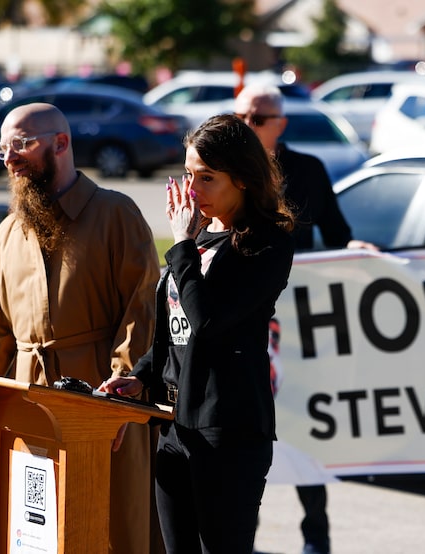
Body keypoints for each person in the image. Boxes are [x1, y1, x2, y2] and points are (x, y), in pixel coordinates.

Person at [0, 103, 161, 553]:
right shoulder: (6, 233)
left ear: (61, 143)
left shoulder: (117, 215)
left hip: (103, 407)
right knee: (34, 533)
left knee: (111, 529)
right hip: (25, 408)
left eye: (22, 144)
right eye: (3, 147)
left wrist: (120, 392)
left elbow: (142, 310)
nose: (9, 157)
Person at [100, 113, 296, 553]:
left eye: (207, 178)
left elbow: (207, 321)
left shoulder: (266, 243)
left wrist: (183, 246)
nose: (192, 191)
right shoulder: (201, 236)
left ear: (242, 179)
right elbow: (176, 331)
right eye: (189, 174)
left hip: (226, 429)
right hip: (175, 426)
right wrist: (142, 376)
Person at [234, 83, 377, 554]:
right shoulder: (227, 173)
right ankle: (243, 539)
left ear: (281, 124)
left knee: (303, 436)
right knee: (249, 439)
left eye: (257, 120)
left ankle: (316, 536)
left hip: (302, 328)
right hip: (249, 324)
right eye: (241, 119)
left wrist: (353, 251)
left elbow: (337, 236)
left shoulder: (307, 171)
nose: (248, 128)